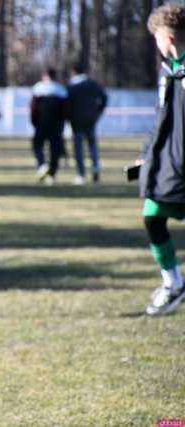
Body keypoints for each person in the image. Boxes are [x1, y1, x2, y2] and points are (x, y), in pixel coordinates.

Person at [138, 3, 185, 316]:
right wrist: (147, 155)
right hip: (168, 164)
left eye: (155, 38)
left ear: (167, 39)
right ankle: (173, 282)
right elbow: (162, 117)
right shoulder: (169, 70)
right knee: (152, 215)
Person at [67, 63, 108, 185]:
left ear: (74, 71)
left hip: (77, 121)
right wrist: (98, 112)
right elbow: (104, 98)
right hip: (91, 119)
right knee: (92, 145)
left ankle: (81, 174)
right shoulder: (93, 84)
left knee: (78, 148)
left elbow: (68, 105)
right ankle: (95, 168)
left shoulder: (72, 86)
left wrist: (68, 118)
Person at [30, 67, 68, 186]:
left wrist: (34, 122)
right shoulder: (61, 89)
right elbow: (66, 109)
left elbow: (33, 107)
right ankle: (52, 174)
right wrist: (62, 123)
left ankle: (42, 165)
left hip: (42, 122)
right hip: (56, 123)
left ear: (45, 75)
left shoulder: (38, 88)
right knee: (55, 148)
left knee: (37, 144)